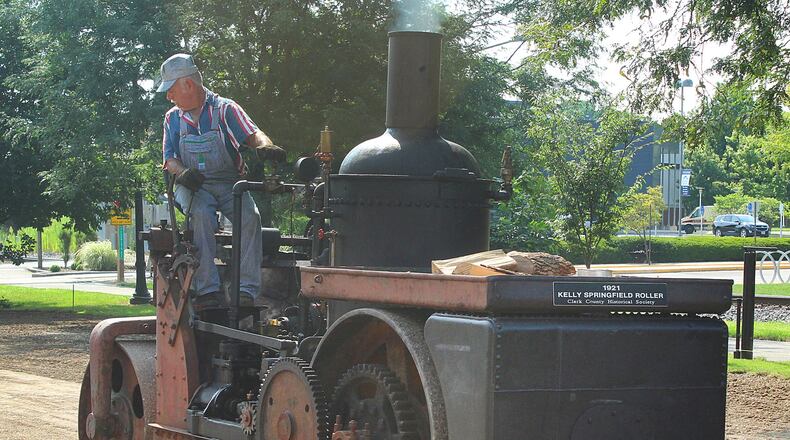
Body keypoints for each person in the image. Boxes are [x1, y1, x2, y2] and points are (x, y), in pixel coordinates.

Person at [158, 53, 285, 308]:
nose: (168, 97)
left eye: (170, 90)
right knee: (202, 213)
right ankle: (208, 291)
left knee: (250, 217)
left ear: (188, 85)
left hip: (229, 184)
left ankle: (246, 291)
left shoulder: (225, 109)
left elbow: (254, 134)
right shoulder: (172, 118)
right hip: (192, 184)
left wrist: (265, 147)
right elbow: (169, 160)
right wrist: (183, 173)